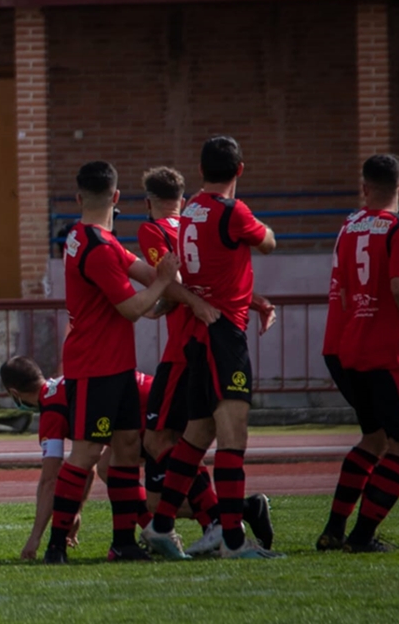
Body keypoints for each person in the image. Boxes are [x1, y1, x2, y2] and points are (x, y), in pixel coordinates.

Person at [142, 136, 280, 560]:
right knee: (233, 434)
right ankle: (235, 542)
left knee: (197, 434)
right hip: (223, 333)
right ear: (240, 170)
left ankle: (161, 525)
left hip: (198, 338)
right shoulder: (231, 211)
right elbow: (268, 242)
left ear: (201, 172)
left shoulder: (191, 214)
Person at [44, 160, 179, 565]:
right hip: (94, 367)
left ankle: (123, 543)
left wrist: (163, 283)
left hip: (116, 365)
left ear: (78, 197)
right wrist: (161, 282)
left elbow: (141, 274)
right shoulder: (98, 248)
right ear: (118, 197)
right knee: (85, 453)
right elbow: (131, 308)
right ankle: (55, 547)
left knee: (124, 448)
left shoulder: (87, 237)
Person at [323, 154, 399, 553]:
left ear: (364, 188)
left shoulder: (349, 226)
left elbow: (343, 288)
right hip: (387, 349)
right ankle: (361, 537)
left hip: (348, 345)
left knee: (374, 439)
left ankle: (334, 529)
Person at [0, 356, 158, 561]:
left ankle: (204, 520)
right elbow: (86, 461)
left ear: (14, 393)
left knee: (171, 495)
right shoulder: (62, 387)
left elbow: (50, 479)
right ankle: (154, 532)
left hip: (149, 408)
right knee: (107, 467)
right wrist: (74, 509)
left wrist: (34, 538)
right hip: (152, 393)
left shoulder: (52, 410)